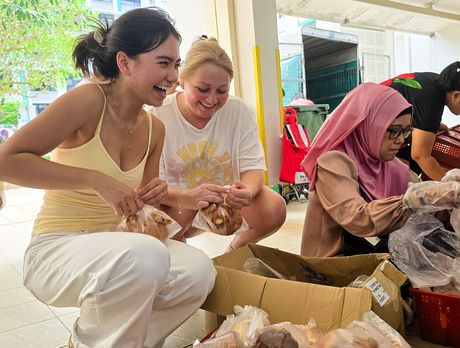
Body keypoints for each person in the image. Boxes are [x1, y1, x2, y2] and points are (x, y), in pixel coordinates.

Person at [0, 8, 216, 348]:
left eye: (176, 64)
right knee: (146, 256)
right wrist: (93, 180)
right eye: (163, 63)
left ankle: (100, 344)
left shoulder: (154, 129)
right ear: (125, 63)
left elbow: (140, 208)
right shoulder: (88, 101)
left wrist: (170, 196)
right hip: (57, 248)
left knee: (198, 272)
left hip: (121, 245)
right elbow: (6, 161)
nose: (173, 76)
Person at [147, 37, 286, 251]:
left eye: (222, 91)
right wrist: (189, 198)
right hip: (178, 204)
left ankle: (236, 250)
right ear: (181, 81)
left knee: (274, 207)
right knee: (161, 232)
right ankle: (177, 252)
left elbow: (254, 167)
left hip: (226, 205)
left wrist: (246, 191)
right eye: (202, 89)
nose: (212, 100)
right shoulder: (157, 115)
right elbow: (154, 188)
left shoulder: (237, 110)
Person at [300, 82, 460, 257]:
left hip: (374, 254)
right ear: (367, 124)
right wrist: (413, 200)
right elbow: (359, 219)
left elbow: (429, 203)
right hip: (335, 265)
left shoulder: (392, 166)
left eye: (405, 131)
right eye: (394, 130)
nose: (400, 140)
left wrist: (449, 196)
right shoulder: (333, 163)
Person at [381, 62, 460, 180]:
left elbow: (414, 105)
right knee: (418, 155)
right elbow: (420, 155)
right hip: (364, 130)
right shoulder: (432, 101)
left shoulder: (435, 82)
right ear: (456, 95)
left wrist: (432, 125)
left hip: (371, 119)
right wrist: (452, 188)